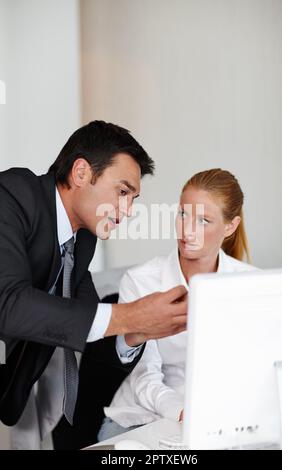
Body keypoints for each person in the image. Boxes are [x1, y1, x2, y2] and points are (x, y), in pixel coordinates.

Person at [0, 120, 187, 449]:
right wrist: (129, 316)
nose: (127, 211)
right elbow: (9, 305)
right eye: (123, 191)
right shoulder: (12, 194)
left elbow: (92, 329)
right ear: (82, 172)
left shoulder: (81, 240)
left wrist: (137, 332)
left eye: (133, 199)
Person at [98, 168, 258, 441]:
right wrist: (183, 410)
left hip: (223, 419)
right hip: (144, 415)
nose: (187, 230)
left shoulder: (252, 284)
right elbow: (144, 375)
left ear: (230, 227)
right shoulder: (141, 281)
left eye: (203, 220)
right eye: (183, 214)